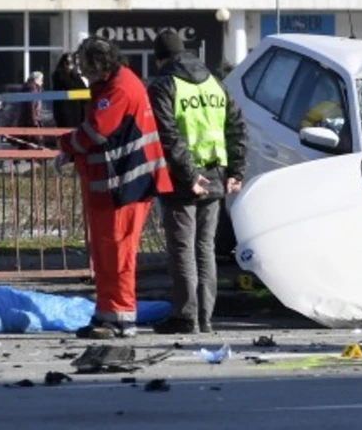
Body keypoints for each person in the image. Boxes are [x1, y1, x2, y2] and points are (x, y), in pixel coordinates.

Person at [55, 38, 171, 339]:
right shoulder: (117, 83)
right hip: (115, 185)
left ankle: (120, 318)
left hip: (124, 185)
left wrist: (65, 144)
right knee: (107, 253)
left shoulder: (118, 88)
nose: (84, 74)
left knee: (118, 254)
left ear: (97, 65)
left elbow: (96, 130)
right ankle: (107, 315)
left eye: (86, 67)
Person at [147, 30, 246, 335]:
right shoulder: (215, 83)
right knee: (205, 248)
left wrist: (189, 175)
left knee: (182, 249)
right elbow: (236, 127)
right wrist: (236, 171)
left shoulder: (164, 84)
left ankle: (185, 317)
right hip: (215, 176)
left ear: (160, 58)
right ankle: (204, 317)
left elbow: (168, 136)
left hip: (183, 179)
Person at [51, 53, 86, 129]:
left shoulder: (75, 75)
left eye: (72, 62)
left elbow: (83, 89)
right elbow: (71, 86)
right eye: (68, 62)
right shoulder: (60, 74)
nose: (70, 65)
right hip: (65, 109)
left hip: (77, 109)